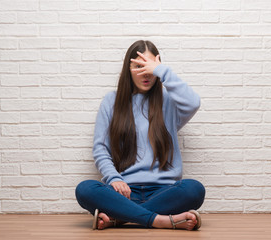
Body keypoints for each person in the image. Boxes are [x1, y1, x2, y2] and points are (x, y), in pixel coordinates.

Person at [75, 40, 205, 231]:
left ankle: (119, 219)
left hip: (165, 192)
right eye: (139, 66)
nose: (146, 73)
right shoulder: (111, 101)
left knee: (194, 189)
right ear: (128, 69)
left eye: (150, 67)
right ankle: (161, 220)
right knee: (85, 189)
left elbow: (193, 103)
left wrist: (162, 71)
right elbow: (101, 149)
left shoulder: (169, 102)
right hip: (123, 192)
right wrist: (114, 179)